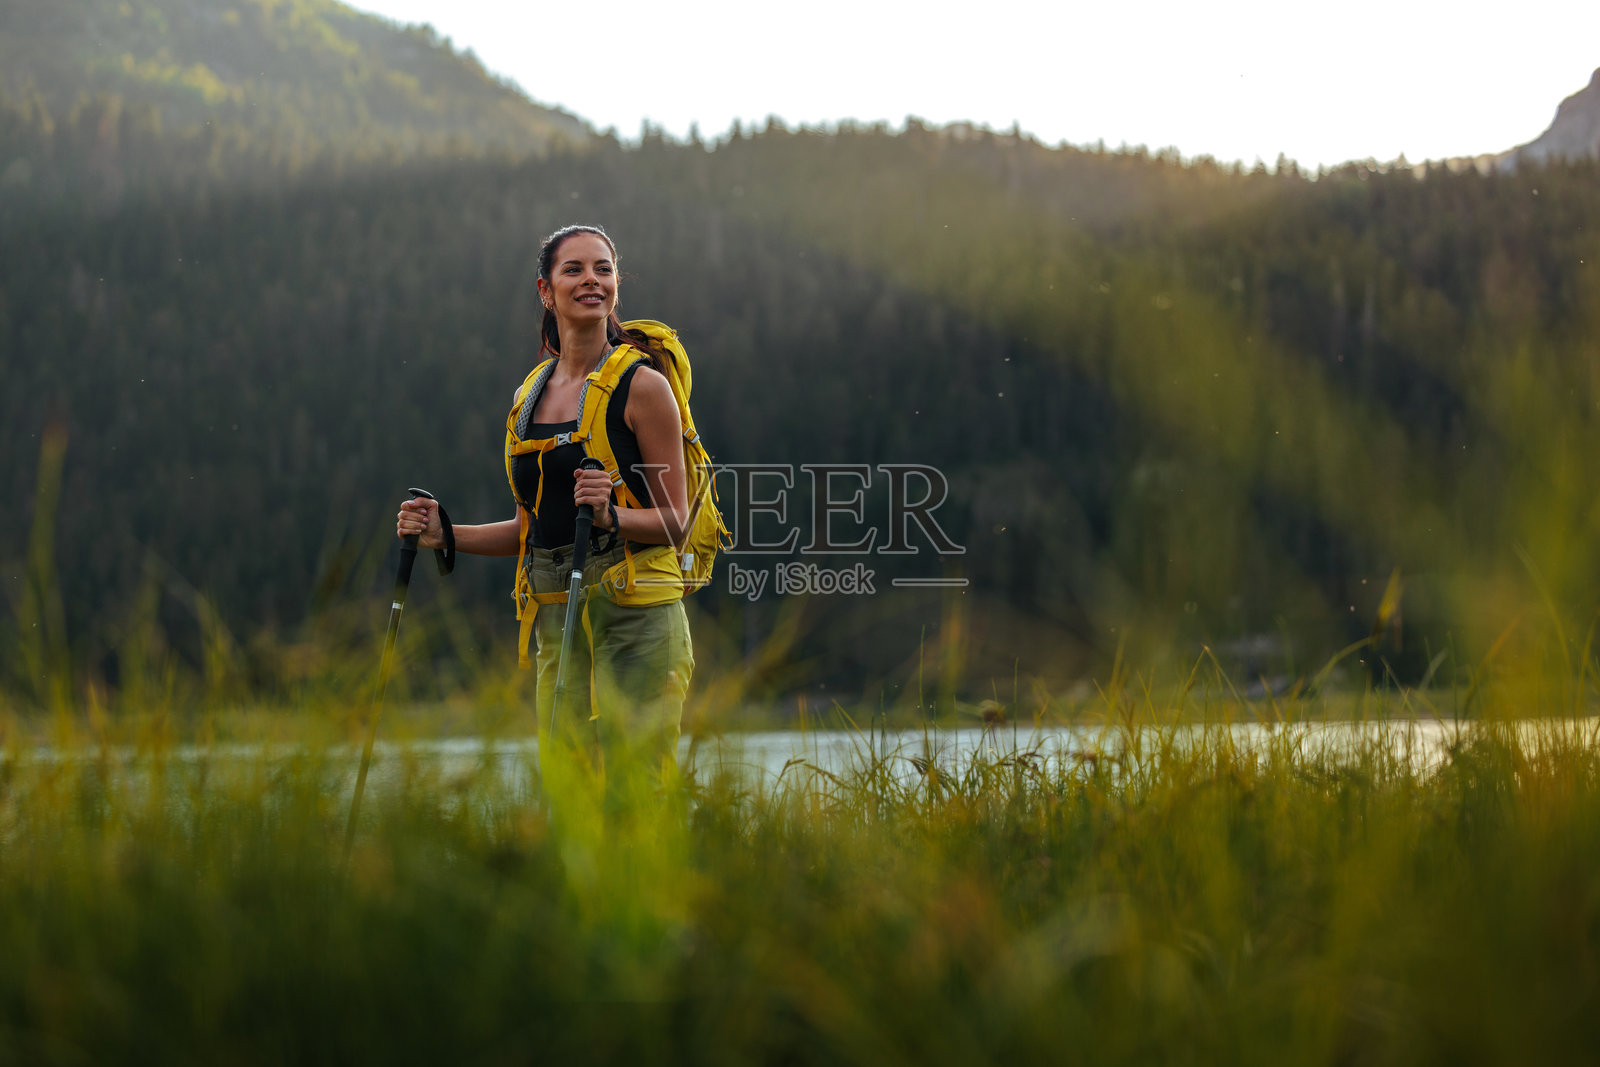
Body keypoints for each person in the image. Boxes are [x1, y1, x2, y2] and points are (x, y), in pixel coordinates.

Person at [396, 224, 695, 803]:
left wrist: (609, 516)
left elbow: (675, 521)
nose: (592, 280)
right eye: (574, 269)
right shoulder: (528, 396)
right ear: (545, 289)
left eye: (603, 270)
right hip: (557, 619)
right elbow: (524, 531)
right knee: (569, 795)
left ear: (615, 286)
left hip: (637, 618)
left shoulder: (645, 387)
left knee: (638, 793)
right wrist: (443, 533)